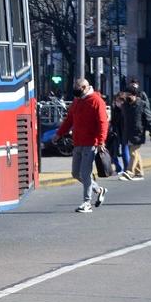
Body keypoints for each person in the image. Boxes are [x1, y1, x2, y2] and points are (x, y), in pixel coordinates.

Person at [57, 78, 110, 213]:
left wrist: (101, 141)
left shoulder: (96, 101)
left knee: (85, 174)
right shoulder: (77, 101)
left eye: (78, 87)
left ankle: (87, 203)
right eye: (75, 86)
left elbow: (103, 122)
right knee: (76, 173)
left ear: (86, 87)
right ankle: (99, 190)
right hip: (78, 142)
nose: (76, 89)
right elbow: (69, 120)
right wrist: (59, 134)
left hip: (91, 143)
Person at [121, 83, 151, 181]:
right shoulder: (124, 105)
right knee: (135, 152)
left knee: (133, 152)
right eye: (125, 94)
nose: (126, 96)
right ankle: (139, 173)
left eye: (128, 94)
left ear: (134, 95)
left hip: (138, 133)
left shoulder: (142, 104)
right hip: (127, 133)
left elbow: (150, 119)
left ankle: (129, 171)